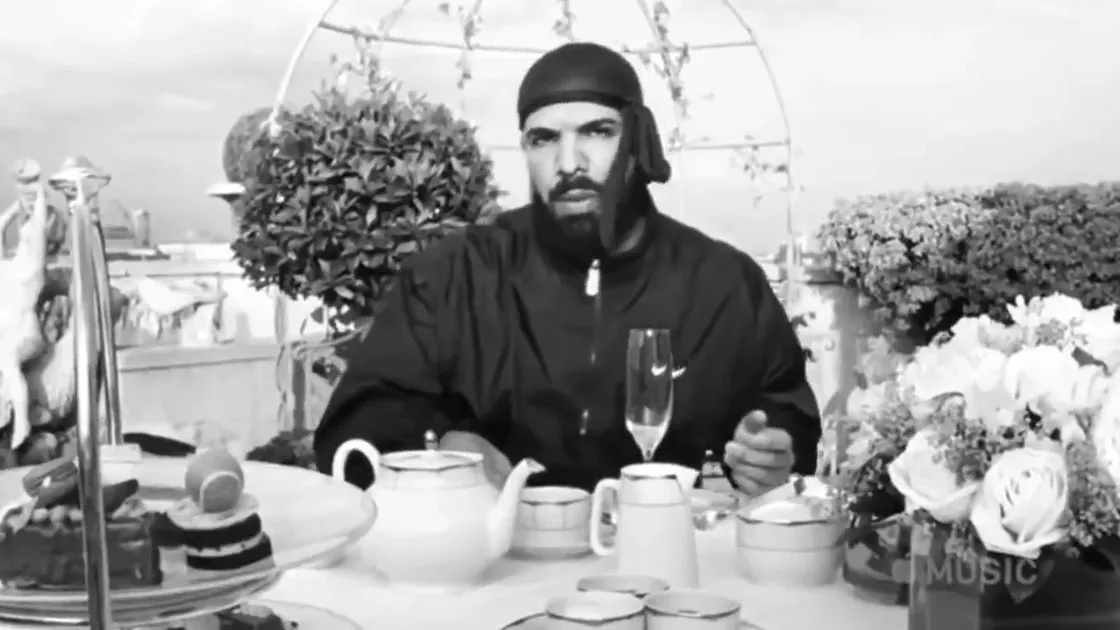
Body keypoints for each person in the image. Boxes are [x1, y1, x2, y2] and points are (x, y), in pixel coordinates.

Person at [314, 42, 821, 497]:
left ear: (640, 141)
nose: (568, 162)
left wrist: (773, 453)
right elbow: (355, 430)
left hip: (668, 556)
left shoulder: (723, 284)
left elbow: (787, 417)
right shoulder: (454, 277)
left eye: (597, 132)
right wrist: (441, 446)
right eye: (543, 139)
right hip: (493, 561)